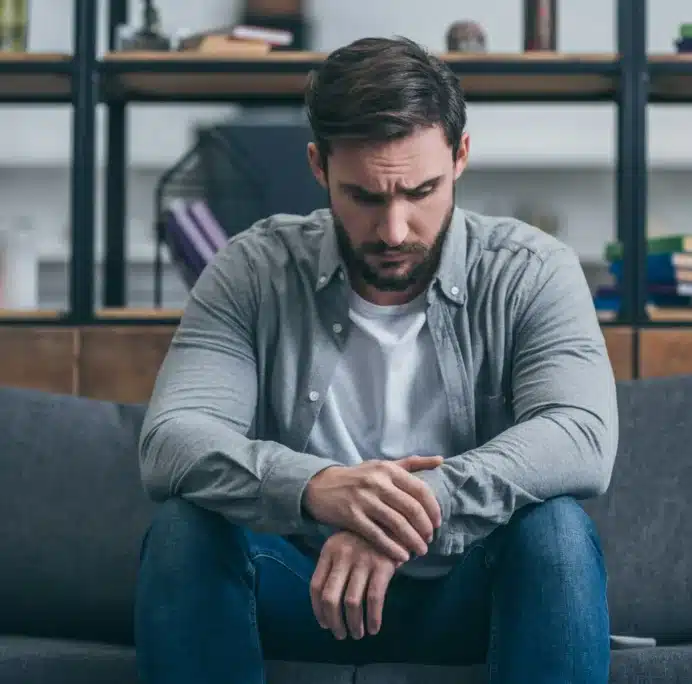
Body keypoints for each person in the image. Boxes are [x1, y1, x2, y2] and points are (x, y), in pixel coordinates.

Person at [133, 35, 619, 684]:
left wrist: (411, 508)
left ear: (461, 156)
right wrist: (315, 490)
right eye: (364, 196)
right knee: (182, 531)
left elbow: (581, 434)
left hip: (469, 595)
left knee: (556, 533)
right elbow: (170, 441)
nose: (394, 230)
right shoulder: (252, 270)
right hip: (306, 592)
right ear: (318, 167)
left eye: (421, 192)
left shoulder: (533, 271)